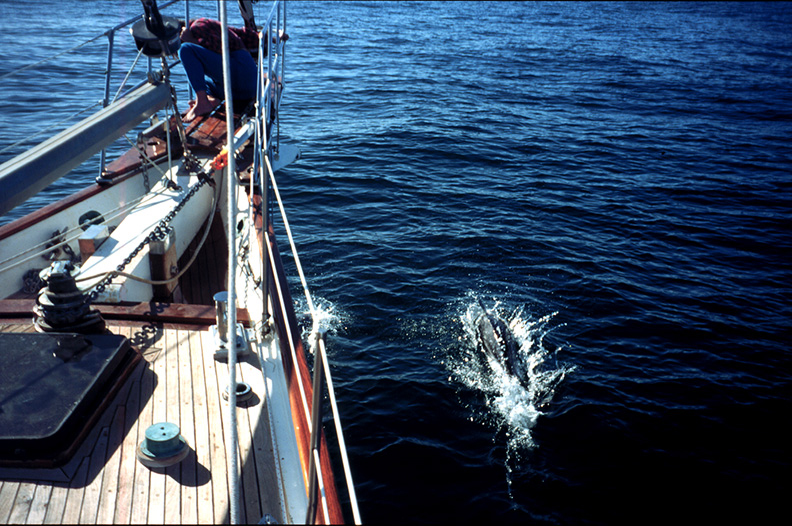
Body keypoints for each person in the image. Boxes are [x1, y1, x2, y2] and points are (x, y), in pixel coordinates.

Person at [179, 17, 282, 122]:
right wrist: (272, 38)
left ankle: (203, 102)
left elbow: (221, 51)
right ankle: (210, 99)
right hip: (245, 86)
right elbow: (242, 34)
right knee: (201, 80)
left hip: (242, 75)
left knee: (185, 49)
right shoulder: (208, 23)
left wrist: (191, 41)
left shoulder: (197, 28)